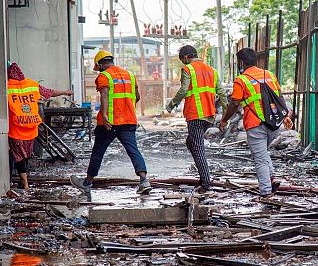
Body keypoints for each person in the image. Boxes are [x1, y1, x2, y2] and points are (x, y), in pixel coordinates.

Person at [71, 50, 152, 194]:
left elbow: (104, 95)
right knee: (133, 150)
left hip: (110, 122)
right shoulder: (130, 75)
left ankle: (87, 182)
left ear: (100, 65)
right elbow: (137, 97)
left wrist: (104, 115)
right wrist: (127, 108)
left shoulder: (104, 76)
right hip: (129, 121)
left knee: (98, 151)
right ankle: (144, 181)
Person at [219, 48, 290, 199]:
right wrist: (285, 116)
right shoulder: (269, 75)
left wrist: (224, 120)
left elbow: (234, 104)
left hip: (255, 124)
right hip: (275, 123)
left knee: (259, 159)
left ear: (242, 63)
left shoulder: (242, 80)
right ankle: (272, 177)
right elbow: (279, 97)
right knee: (263, 153)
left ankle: (265, 193)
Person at [165, 45, 229, 191]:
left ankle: (206, 183)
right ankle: (203, 177)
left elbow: (183, 89)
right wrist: (225, 115)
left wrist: (171, 104)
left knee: (198, 147)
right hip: (209, 115)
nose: (183, 63)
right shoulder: (212, 70)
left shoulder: (188, 69)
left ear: (186, 57)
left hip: (195, 114)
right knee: (191, 142)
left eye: (182, 60)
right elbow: (222, 93)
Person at [7, 63, 73, 190]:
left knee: (18, 156)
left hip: (16, 128)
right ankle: (23, 181)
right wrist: (64, 92)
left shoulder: (6, 87)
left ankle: (24, 182)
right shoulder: (31, 84)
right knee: (25, 155)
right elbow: (49, 92)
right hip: (31, 128)